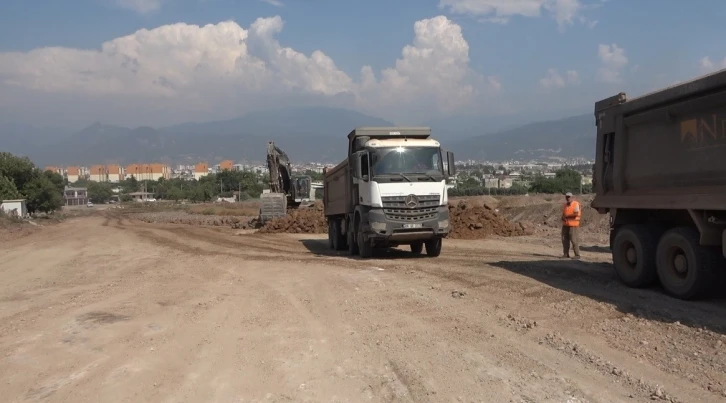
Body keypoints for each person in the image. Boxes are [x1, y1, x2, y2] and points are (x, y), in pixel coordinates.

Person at [561, 192, 581, 259]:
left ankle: (577, 255)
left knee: (574, 240)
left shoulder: (576, 204)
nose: (568, 198)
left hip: (573, 225)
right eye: (567, 197)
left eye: (569, 197)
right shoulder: (565, 205)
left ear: (572, 197)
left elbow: (575, 214)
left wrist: (567, 216)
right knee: (565, 240)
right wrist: (563, 217)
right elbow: (564, 214)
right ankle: (566, 254)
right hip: (566, 225)